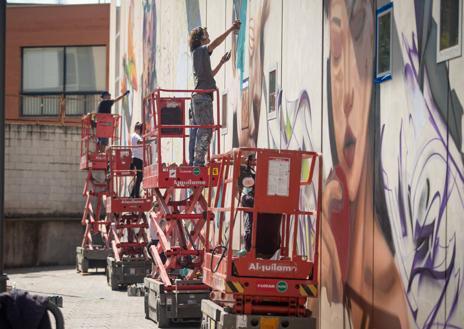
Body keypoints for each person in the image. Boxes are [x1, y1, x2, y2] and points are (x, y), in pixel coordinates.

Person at [189, 21, 241, 166]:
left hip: (203, 97)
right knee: (206, 130)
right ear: (200, 39)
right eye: (206, 34)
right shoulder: (199, 51)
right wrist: (231, 28)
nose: (209, 35)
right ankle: (198, 162)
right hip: (202, 98)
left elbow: (209, 75)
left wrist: (221, 62)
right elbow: (216, 43)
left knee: (207, 129)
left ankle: (198, 161)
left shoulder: (199, 55)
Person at [130, 122, 143, 198]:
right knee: (140, 177)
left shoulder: (136, 135)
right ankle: (136, 195)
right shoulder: (135, 135)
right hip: (137, 158)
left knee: (139, 177)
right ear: (137, 129)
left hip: (138, 158)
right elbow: (139, 142)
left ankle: (133, 194)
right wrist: (149, 141)